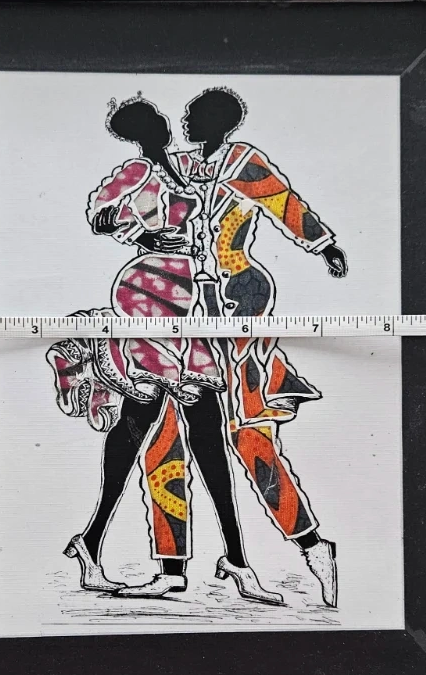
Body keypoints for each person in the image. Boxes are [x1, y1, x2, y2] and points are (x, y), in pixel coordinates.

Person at [47, 95, 283, 605]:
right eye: (151, 125)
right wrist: (141, 231)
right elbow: (98, 215)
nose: (164, 129)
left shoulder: (182, 168)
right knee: (192, 422)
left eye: (161, 123)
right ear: (140, 133)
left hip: (185, 297)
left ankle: (93, 542)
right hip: (148, 289)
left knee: (160, 423)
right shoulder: (136, 171)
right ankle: (237, 561)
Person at [158, 86, 348, 608]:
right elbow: (145, 197)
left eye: (193, 115)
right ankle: (180, 562)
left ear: (217, 122)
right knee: (176, 424)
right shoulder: (181, 165)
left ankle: (311, 546)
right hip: (188, 306)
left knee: (247, 429)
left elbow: (285, 204)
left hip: (241, 299)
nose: (185, 123)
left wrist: (324, 244)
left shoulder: (244, 162)